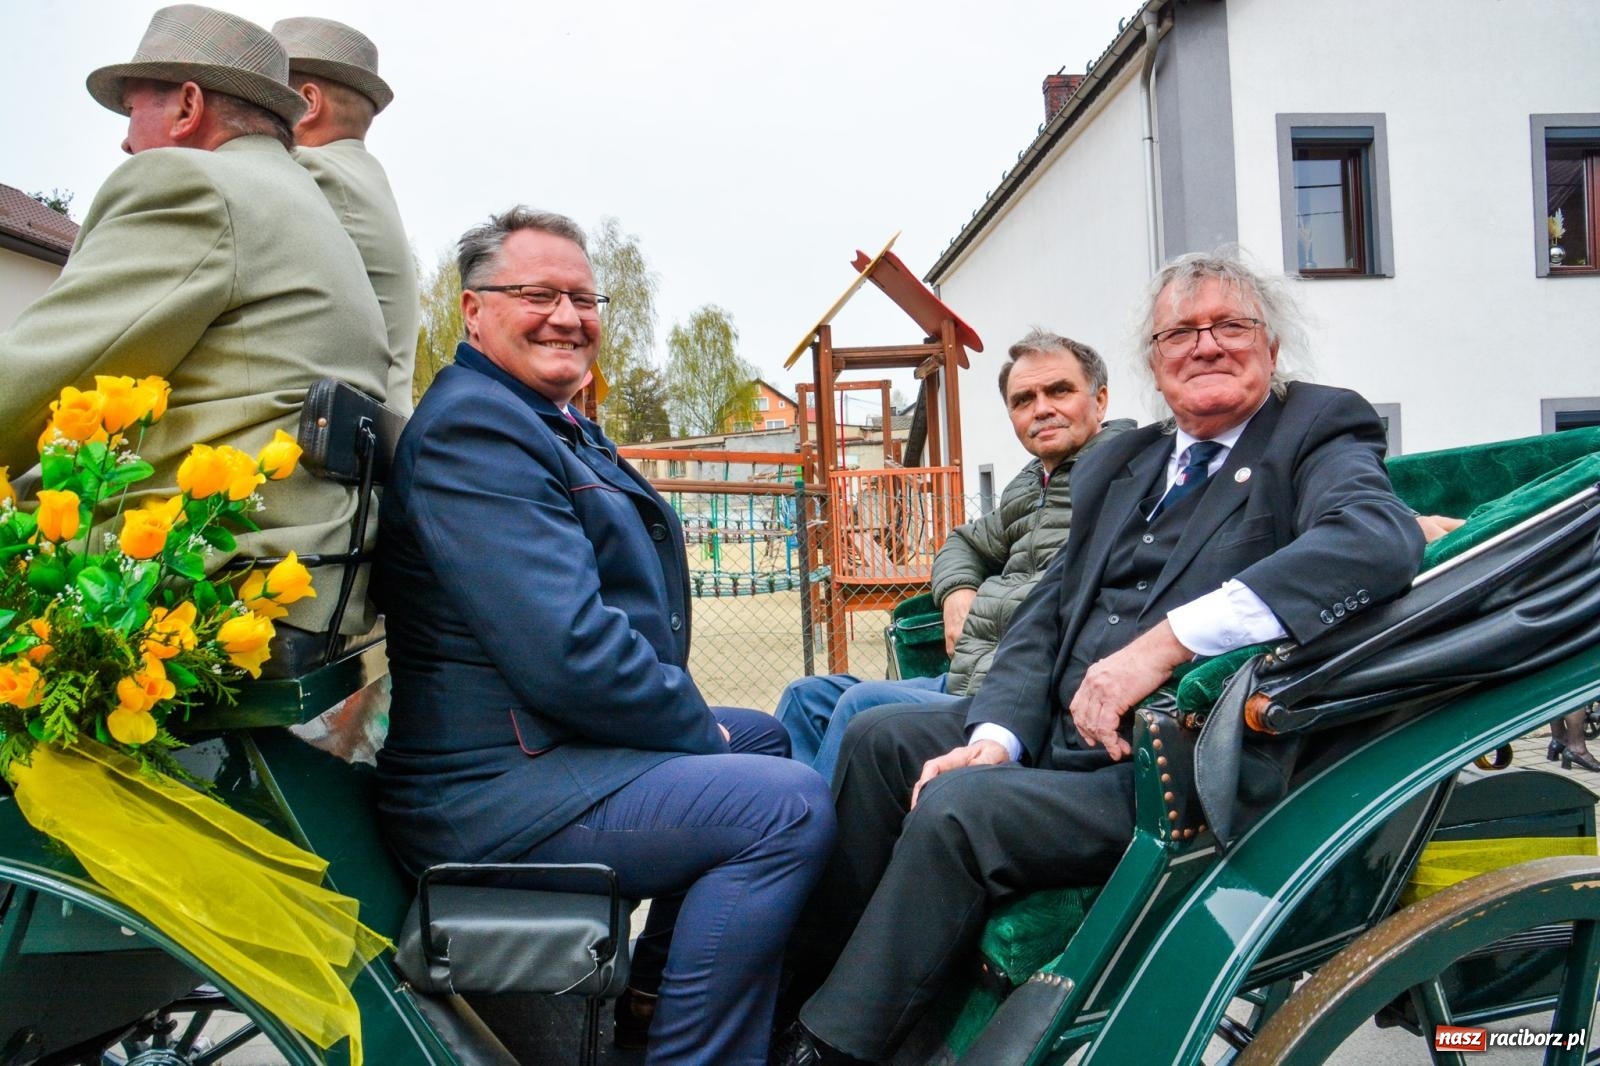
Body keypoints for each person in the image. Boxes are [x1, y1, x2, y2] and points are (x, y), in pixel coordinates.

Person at [773, 251, 1426, 1065]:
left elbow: (1375, 541)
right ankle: (795, 997)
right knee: (879, 744)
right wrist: (996, 737)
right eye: (1181, 332)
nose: (1207, 345)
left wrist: (1165, 643)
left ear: (1271, 344)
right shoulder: (1128, 461)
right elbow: (1049, 611)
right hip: (1057, 737)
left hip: (1178, 764)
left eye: (1231, 324)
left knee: (956, 811)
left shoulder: (1317, 429)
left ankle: (828, 1049)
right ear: (1155, 362)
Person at [373, 207, 834, 1066]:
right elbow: (569, 652)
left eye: (585, 299)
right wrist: (697, 729)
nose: (568, 316)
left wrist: (709, 732)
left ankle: (652, 1006)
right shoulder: (479, 431)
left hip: (538, 750)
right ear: (473, 311)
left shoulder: (541, 416)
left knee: (770, 740)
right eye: (537, 294)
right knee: (787, 807)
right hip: (488, 791)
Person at [0, 4, 387, 637]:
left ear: (187, 106)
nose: (126, 140)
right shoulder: (304, 204)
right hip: (302, 569)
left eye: (132, 111)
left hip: (205, 567)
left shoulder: (195, 186)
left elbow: (38, 376)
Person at [775, 331, 1134, 779]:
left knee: (860, 707)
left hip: (1011, 699)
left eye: (1059, 391)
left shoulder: (1124, 478)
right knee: (806, 696)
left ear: (1100, 401)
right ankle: (788, 809)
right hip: (965, 676)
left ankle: (810, 838)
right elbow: (964, 540)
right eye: (1023, 400)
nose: (1042, 408)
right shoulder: (1031, 485)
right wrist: (956, 591)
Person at [273, 16, 419, 416]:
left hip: (343, 440)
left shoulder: (306, 171)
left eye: (264, 99)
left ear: (306, 104)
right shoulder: (360, 174)